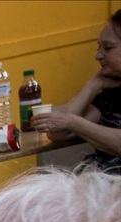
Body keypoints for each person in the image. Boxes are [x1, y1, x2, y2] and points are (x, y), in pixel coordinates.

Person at [32, 10, 121, 173]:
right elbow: (58, 133)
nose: (98, 56)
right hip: (94, 183)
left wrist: (74, 122)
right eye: (98, 47)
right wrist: (93, 85)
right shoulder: (113, 88)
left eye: (108, 48)